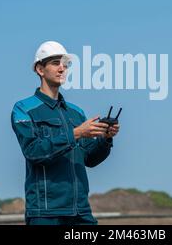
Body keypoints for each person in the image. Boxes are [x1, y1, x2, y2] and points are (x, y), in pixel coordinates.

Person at [11, 41, 120, 225]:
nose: (62, 68)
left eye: (65, 64)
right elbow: (34, 152)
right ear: (40, 69)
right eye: (55, 63)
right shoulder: (23, 109)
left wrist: (105, 139)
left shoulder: (76, 112)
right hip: (45, 213)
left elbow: (89, 159)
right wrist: (76, 133)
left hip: (80, 211)